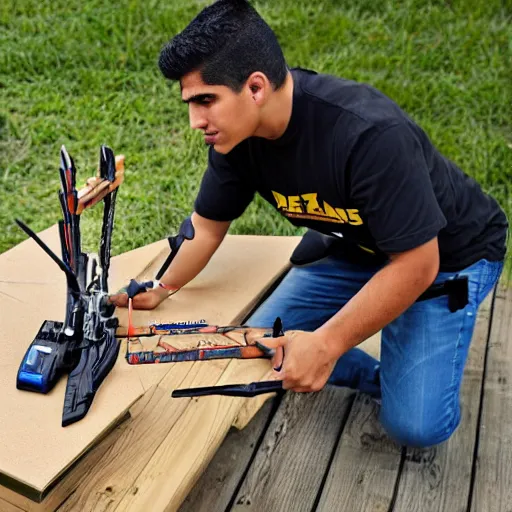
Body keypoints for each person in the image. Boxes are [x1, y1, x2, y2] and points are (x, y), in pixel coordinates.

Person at [108, 0, 508, 447]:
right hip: (356, 246)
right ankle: (383, 369)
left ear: (256, 88)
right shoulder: (234, 140)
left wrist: (328, 344)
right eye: (190, 103)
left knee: (414, 427)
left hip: (448, 257)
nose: (194, 121)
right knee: (257, 342)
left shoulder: (368, 135)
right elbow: (205, 228)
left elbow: (417, 264)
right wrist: (160, 288)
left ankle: (402, 370)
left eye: (206, 101)